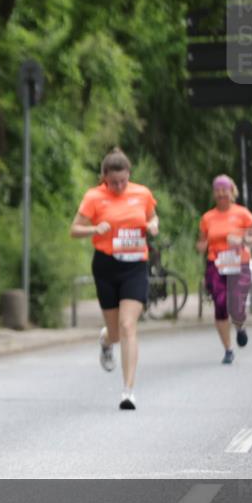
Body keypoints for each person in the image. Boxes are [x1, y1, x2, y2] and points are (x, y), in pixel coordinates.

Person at [69, 148, 158, 410]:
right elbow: (74, 229)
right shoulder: (94, 197)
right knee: (117, 332)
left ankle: (128, 391)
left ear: (129, 175)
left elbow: (152, 216)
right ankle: (106, 340)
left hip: (135, 265)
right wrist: (94, 229)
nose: (119, 186)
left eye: (123, 181)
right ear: (104, 177)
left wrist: (153, 225)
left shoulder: (142, 193)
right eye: (113, 182)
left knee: (128, 325)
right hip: (106, 266)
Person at [196, 174, 252, 364]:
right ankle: (228, 349)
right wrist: (201, 245)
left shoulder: (242, 213)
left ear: (231, 192)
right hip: (216, 264)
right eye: (217, 191)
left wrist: (242, 240)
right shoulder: (207, 217)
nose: (220, 194)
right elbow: (201, 242)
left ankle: (240, 327)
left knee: (236, 305)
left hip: (239, 263)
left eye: (224, 190)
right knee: (220, 304)